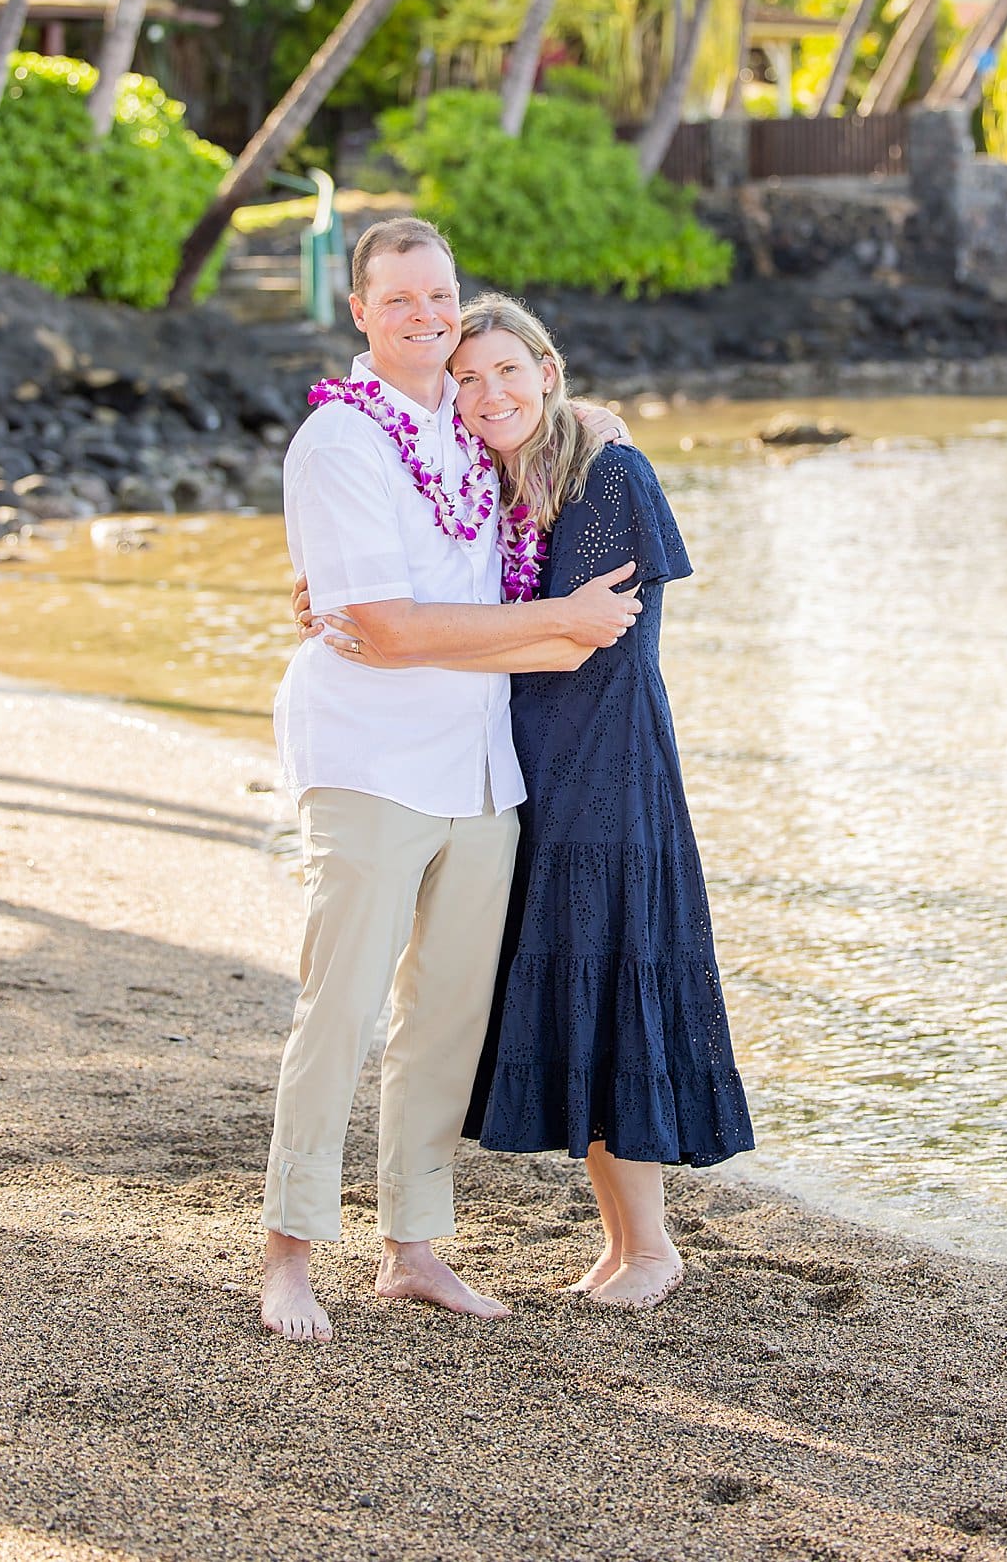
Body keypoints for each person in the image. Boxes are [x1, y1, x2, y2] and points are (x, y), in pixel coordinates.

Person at [318, 293, 754, 1311]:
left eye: (508, 370)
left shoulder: (611, 474)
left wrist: (402, 634)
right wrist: (355, 609)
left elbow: (583, 638)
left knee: (615, 991)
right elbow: (442, 582)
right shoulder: (495, 483)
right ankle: (619, 1241)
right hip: (529, 769)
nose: (487, 392)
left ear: (548, 372)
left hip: (607, 770)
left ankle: (652, 1248)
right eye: (467, 378)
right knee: (580, 999)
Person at [262, 218, 639, 1344]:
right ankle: (287, 1252)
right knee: (337, 1008)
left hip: (481, 767)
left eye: (442, 296)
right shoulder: (340, 442)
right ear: (361, 313)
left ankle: (411, 1247)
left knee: (444, 1022)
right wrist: (559, 624)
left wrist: (600, 421)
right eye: (402, 300)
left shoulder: (470, 428)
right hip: (371, 759)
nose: (427, 316)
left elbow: (546, 419)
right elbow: (378, 625)